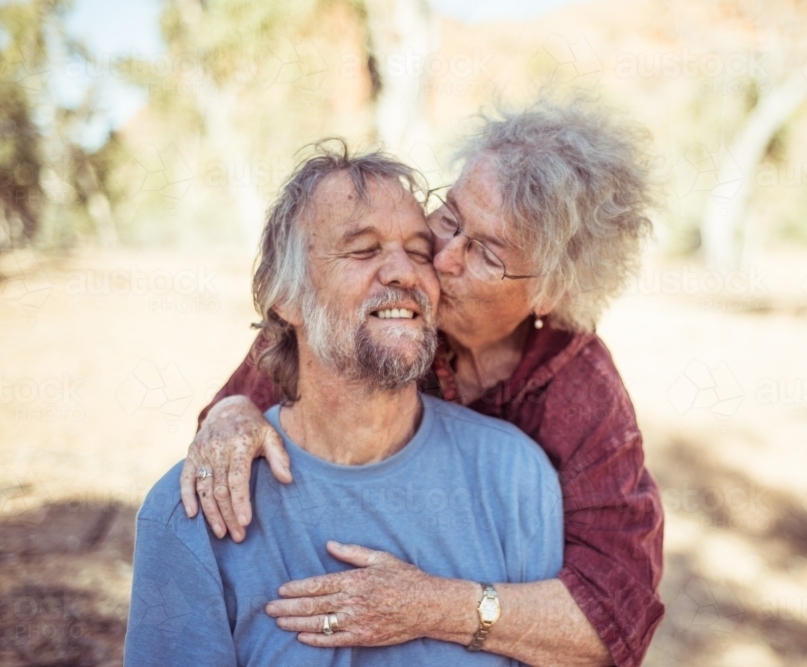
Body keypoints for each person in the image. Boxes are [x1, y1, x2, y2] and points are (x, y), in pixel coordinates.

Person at [185, 102, 665, 667]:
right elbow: (258, 387)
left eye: (487, 253)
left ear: (550, 294)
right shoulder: (392, 314)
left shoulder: (581, 389)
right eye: (450, 218)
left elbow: (613, 620)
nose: (442, 258)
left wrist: (432, 606)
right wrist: (230, 412)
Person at [124, 146, 564, 666]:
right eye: (363, 250)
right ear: (286, 298)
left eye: (420, 251)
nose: (403, 272)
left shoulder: (515, 479)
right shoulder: (195, 514)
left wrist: (438, 607)